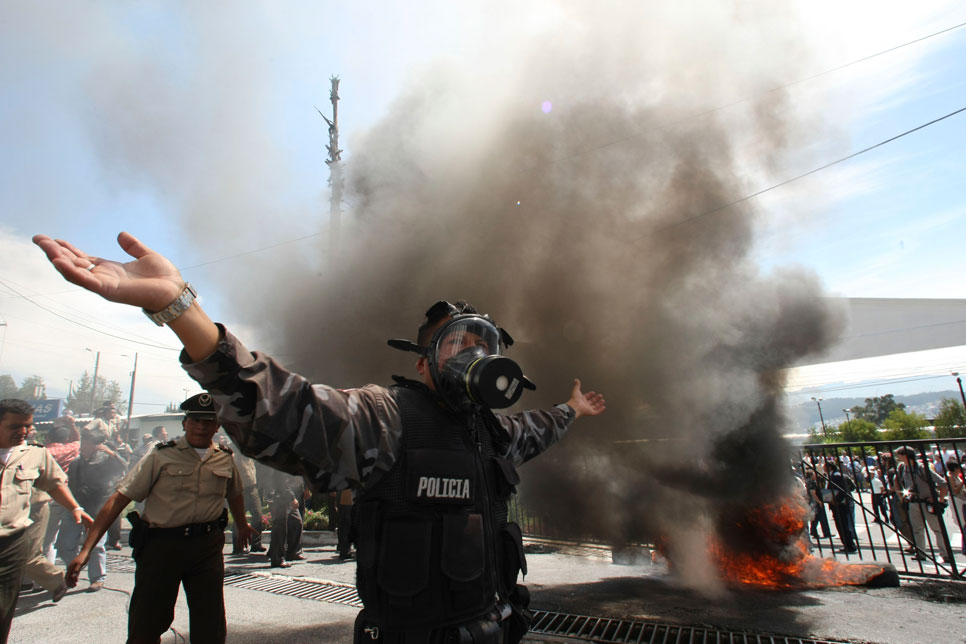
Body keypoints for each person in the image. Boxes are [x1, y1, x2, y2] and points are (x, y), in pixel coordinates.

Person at [33, 232, 606, 644]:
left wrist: (573, 410)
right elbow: (282, 409)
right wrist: (182, 309)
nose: (475, 354)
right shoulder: (386, 417)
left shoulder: (492, 431)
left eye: (486, 345)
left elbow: (537, 428)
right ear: (425, 363)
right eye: (458, 344)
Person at [65, 393, 255, 643]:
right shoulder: (160, 455)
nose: (201, 426)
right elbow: (118, 500)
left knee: (210, 624)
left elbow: (235, 494)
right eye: (195, 420)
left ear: (217, 426)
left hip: (207, 548)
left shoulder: (224, 457)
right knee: (147, 623)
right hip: (161, 547)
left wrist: (242, 525)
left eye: (208, 421)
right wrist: (86, 550)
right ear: (185, 423)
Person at [0, 399, 93, 643]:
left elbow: (53, 483)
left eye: (27, 426)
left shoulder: (35, 454)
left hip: (10, 544)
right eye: (14, 426)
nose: (22, 432)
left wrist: (75, 507)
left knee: (2, 609)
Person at [56, 422, 128, 592]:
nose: (83, 448)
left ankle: (98, 578)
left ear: (97, 446)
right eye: (83, 444)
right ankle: (74, 567)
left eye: (87, 444)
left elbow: (125, 467)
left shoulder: (107, 460)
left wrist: (113, 454)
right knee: (64, 544)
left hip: (98, 509)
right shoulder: (76, 463)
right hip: (76, 509)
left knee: (96, 545)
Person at [895, 446, 952, 563]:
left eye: (899, 454)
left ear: (905, 455)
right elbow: (896, 481)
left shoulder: (921, 468)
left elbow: (942, 483)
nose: (897, 457)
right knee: (917, 529)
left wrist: (939, 500)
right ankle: (921, 553)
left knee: (937, 529)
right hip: (913, 502)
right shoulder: (901, 467)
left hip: (927, 502)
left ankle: (945, 554)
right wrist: (901, 497)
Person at [824, 459, 857, 554]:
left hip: (839, 505)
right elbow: (852, 487)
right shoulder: (842, 475)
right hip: (844, 503)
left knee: (842, 525)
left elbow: (841, 490)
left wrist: (836, 500)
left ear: (829, 467)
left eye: (825, 467)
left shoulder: (835, 476)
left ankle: (849, 545)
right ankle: (848, 545)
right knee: (844, 525)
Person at [946, 460, 966, 556]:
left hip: (962, 501)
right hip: (957, 501)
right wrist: (963, 483)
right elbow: (954, 491)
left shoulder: (956, 476)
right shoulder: (950, 477)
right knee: (963, 524)